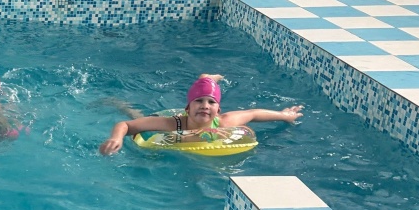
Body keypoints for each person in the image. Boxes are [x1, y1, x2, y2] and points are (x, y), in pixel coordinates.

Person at [97, 74, 302, 155]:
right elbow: (126, 125)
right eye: (199, 102)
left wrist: (284, 115)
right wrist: (116, 138)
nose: (205, 106)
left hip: (197, 132)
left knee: (206, 86)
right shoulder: (174, 123)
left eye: (211, 103)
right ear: (188, 108)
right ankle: (118, 103)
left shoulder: (224, 121)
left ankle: (207, 79)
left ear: (218, 110)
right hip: (176, 126)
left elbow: (253, 114)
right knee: (136, 116)